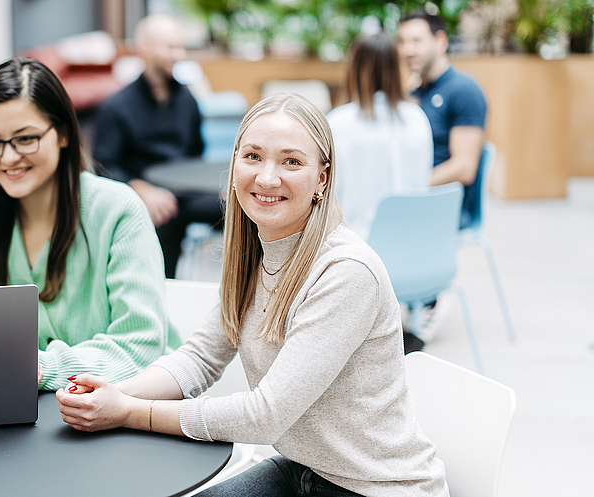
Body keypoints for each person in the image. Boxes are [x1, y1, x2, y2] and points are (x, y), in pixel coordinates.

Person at [56, 94, 448, 497]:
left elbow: (265, 415)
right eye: (253, 157)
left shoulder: (346, 271)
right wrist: (114, 393)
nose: (266, 178)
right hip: (305, 470)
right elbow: (200, 358)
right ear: (234, 165)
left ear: (322, 178)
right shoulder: (253, 255)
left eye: (291, 162)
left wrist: (130, 413)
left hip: (377, 487)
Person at [0, 57, 174, 392]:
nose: (8, 157)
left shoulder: (117, 210)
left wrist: (44, 368)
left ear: (64, 134)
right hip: (20, 406)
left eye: (26, 138)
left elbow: (140, 343)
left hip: (123, 404)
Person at [92, 14, 222, 278]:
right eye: (170, 47)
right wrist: (140, 189)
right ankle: (162, 289)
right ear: (145, 48)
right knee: (161, 216)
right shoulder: (116, 107)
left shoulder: (187, 99)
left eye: (180, 47)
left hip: (186, 192)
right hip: (146, 194)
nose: (179, 55)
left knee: (240, 210)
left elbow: (196, 153)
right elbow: (104, 166)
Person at [328, 32, 433, 241]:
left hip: (356, 245)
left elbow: (328, 197)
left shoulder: (338, 122)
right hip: (415, 241)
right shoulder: (417, 118)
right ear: (397, 69)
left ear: (354, 68)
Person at [398, 11, 487, 229]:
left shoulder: (464, 90)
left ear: (440, 41)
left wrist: (408, 186)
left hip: (445, 208)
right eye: (402, 41)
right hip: (416, 200)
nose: (408, 50)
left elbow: (464, 168)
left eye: (416, 41)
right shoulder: (414, 92)